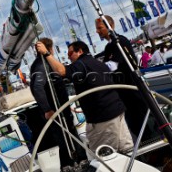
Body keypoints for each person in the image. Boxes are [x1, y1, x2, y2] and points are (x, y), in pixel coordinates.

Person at [35, 40, 133, 153]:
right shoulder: (98, 64)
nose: (69, 57)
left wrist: (46, 53)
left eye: (70, 53)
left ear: (80, 51)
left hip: (103, 118)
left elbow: (62, 71)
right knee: (127, 149)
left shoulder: (81, 64)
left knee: (103, 155)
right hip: (117, 111)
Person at [95, 15, 157, 141]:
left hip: (133, 89)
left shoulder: (120, 41)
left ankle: (157, 151)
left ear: (110, 26)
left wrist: (93, 69)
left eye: (100, 28)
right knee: (133, 124)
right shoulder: (109, 46)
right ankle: (147, 149)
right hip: (122, 93)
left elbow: (112, 66)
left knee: (142, 122)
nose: (97, 31)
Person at [30, 38, 86, 168]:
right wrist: (47, 110)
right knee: (64, 138)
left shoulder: (42, 64)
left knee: (69, 134)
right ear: (49, 49)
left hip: (62, 109)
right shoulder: (41, 65)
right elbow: (37, 87)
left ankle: (78, 159)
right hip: (56, 111)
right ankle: (71, 164)